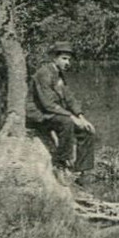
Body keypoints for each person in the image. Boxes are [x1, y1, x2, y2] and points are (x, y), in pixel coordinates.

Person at [26, 42, 97, 180]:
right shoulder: (44, 73)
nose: (67, 62)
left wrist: (81, 117)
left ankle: (81, 170)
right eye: (64, 58)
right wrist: (72, 117)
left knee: (86, 130)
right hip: (38, 115)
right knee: (67, 123)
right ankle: (60, 164)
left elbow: (69, 98)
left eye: (69, 59)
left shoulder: (58, 74)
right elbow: (48, 104)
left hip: (52, 113)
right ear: (54, 58)